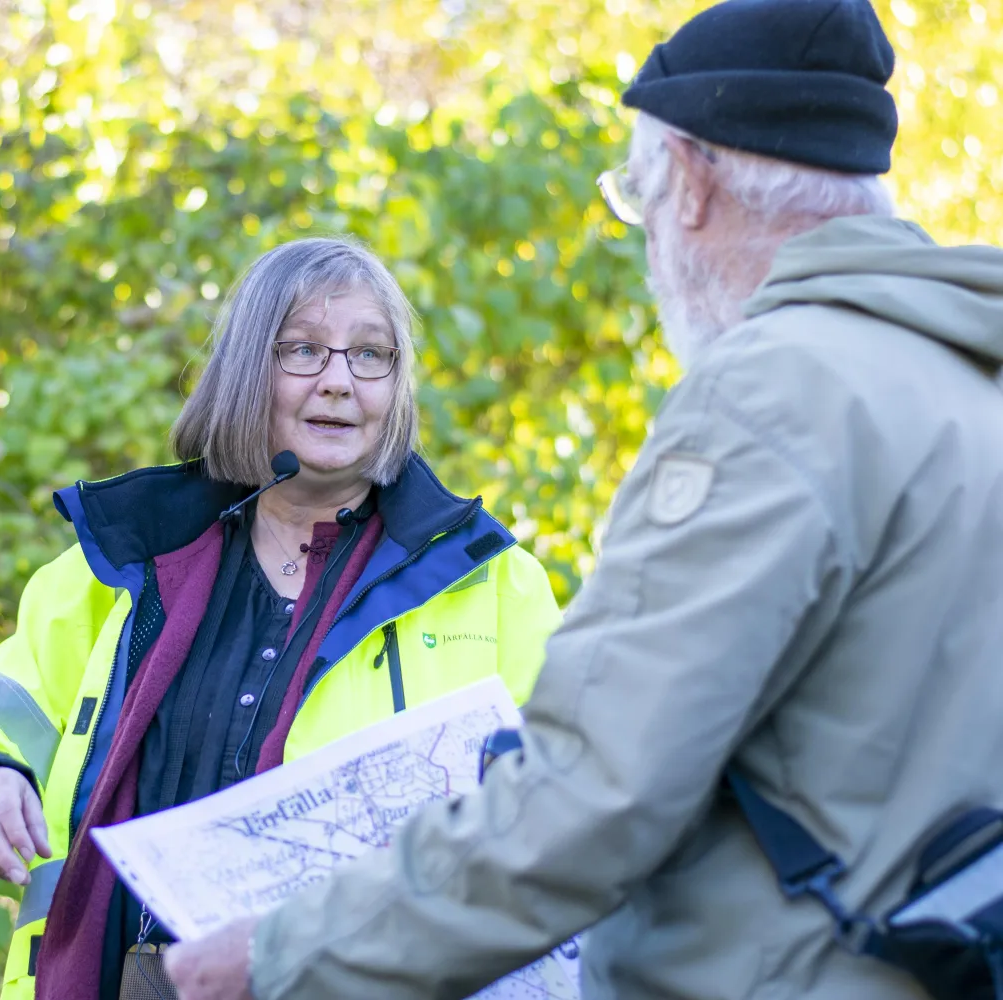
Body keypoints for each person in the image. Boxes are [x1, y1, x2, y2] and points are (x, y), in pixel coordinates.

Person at [164, 1, 1003, 998]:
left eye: (634, 197)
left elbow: (594, 795)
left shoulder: (773, 392)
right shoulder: (966, 381)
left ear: (688, 181)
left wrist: (283, 952)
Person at [0, 236, 562, 999]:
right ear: (247, 371)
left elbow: (568, 826)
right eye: (303, 351)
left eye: (370, 356)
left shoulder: (492, 586)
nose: (340, 382)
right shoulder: (125, 568)